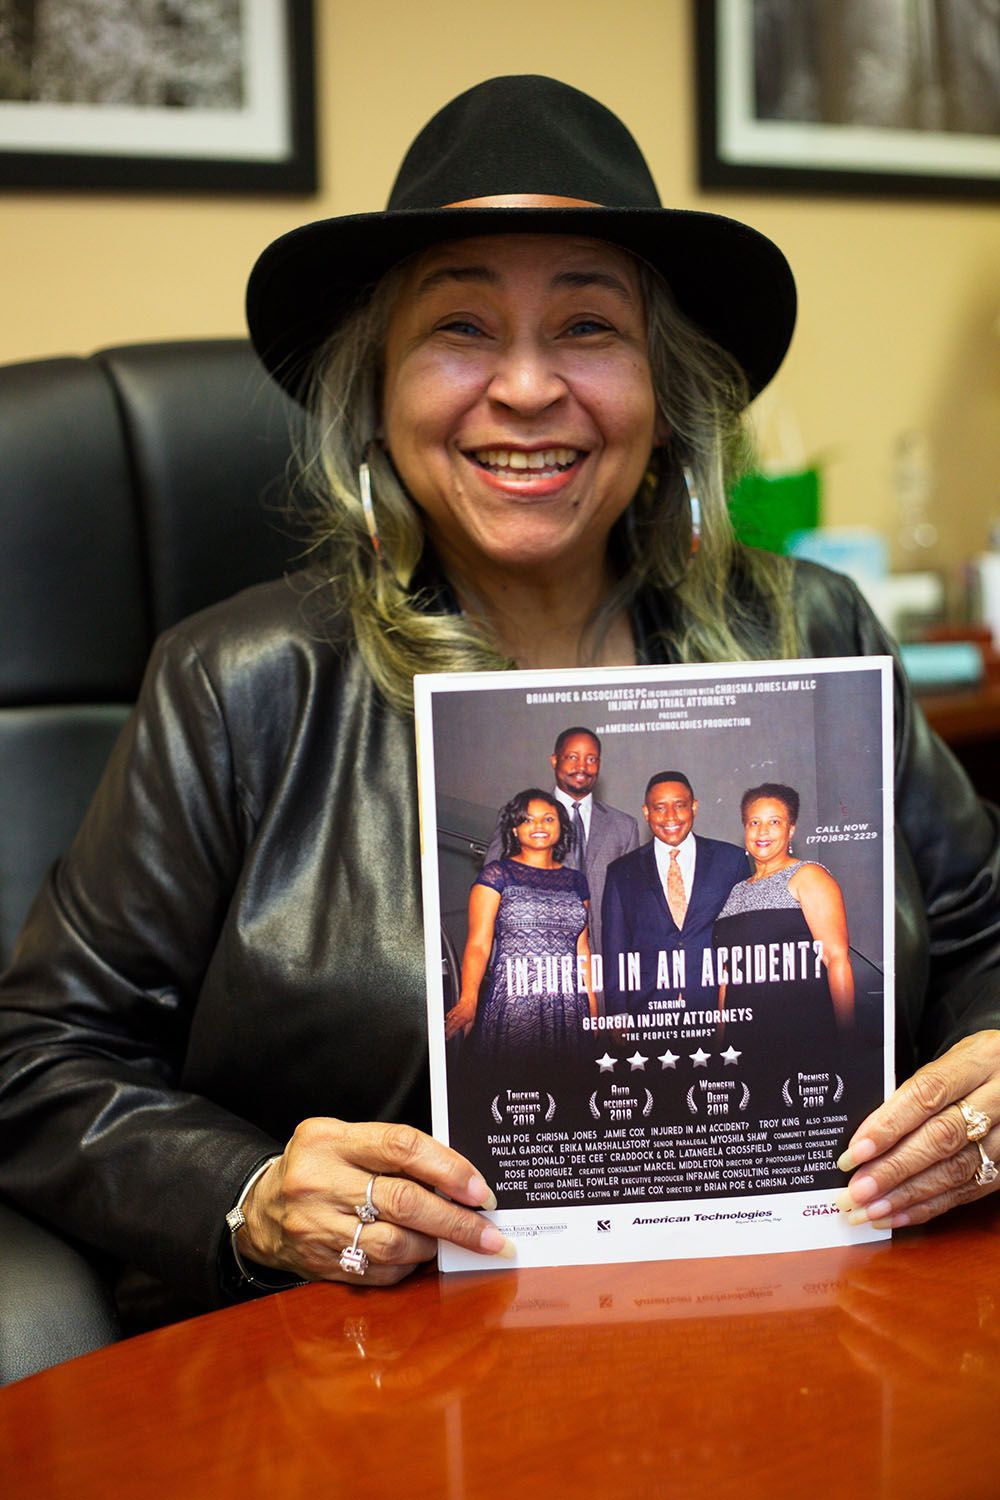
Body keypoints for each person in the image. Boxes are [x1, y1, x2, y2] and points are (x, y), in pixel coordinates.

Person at [0, 75, 998, 1318]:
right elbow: (38, 1059)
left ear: (663, 392)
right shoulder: (238, 687)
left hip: (803, 1314)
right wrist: (250, 1192)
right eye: (459, 327)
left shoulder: (811, 628)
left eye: (588, 326)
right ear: (377, 392)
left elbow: (979, 932)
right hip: (371, 1359)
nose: (526, 390)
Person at [711, 783, 855, 1096]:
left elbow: (837, 959)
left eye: (774, 822)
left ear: (791, 829)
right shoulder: (736, 892)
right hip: (744, 1043)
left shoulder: (808, 876)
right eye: (754, 822)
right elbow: (727, 979)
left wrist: (847, 1040)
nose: (763, 831)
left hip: (802, 1036)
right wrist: (721, 1047)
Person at [445, 790, 597, 1057]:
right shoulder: (497, 875)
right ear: (514, 830)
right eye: (527, 819)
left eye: (548, 819)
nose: (539, 826)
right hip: (514, 1003)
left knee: (572, 1091)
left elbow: (582, 949)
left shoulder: (576, 881)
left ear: (561, 826)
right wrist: (468, 999)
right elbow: (479, 944)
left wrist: (594, 1008)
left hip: (570, 1004)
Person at [601, 773, 749, 1014]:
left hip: (717, 1007)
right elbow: (615, 949)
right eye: (659, 808)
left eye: (680, 806)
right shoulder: (621, 872)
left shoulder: (730, 861)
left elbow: (744, 941)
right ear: (646, 812)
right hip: (648, 1011)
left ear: (694, 808)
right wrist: (618, 1012)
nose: (670, 816)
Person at [483, 726, 639, 955]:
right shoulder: (521, 819)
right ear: (555, 760)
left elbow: (632, 903)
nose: (582, 767)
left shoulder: (624, 827)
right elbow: (492, 895)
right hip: (537, 955)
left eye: (591, 759)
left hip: (605, 960)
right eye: (572, 757)